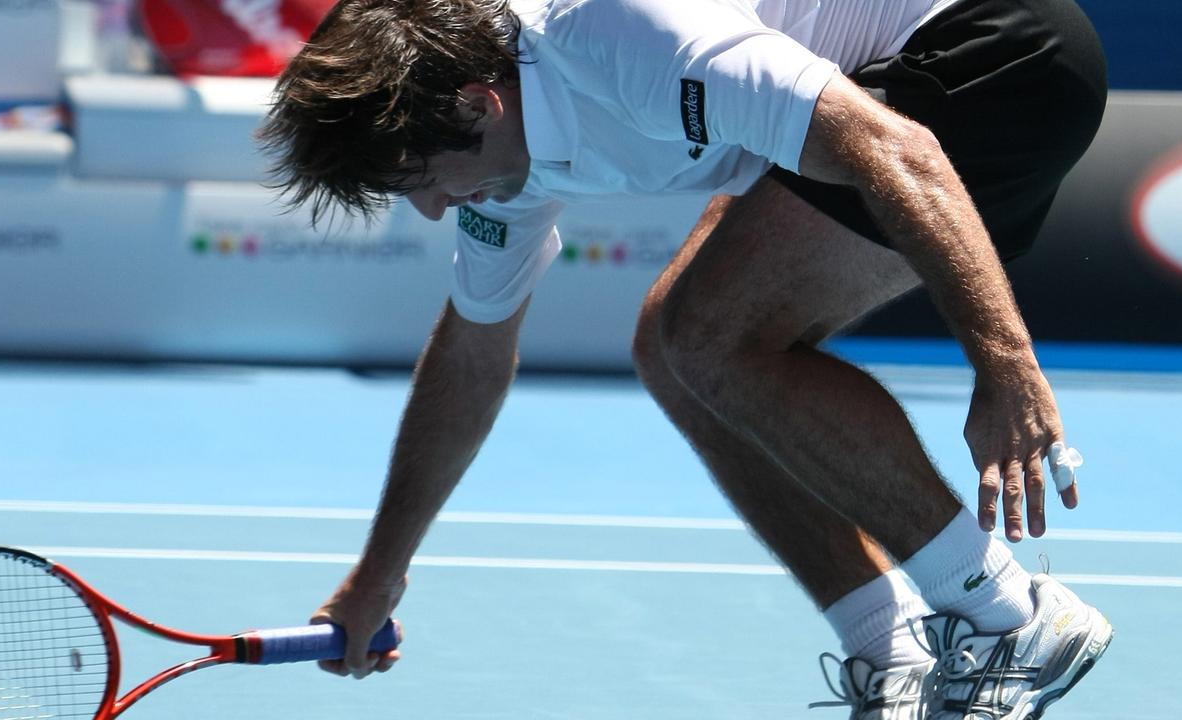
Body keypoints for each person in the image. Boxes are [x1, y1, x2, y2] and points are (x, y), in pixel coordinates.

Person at [257, 0, 1113, 717]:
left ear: (481, 105)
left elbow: (901, 150)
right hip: (878, 90)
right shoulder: (501, 156)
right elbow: (473, 356)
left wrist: (1004, 367)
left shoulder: (618, 36)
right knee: (675, 348)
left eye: (426, 181)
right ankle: (891, 658)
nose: (439, 211)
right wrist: (378, 576)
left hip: (998, 48)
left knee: (711, 335)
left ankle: (1008, 616)